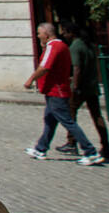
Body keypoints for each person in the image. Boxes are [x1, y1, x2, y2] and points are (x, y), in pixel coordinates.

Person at [24, 21, 104, 165]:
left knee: (68, 122)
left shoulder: (53, 46)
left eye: (39, 33)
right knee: (49, 120)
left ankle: (90, 151)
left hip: (56, 91)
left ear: (46, 34)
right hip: (54, 90)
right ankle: (40, 148)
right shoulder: (59, 45)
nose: (37, 36)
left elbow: (44, 67)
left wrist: (30, 79)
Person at [56, 21, 109, 160]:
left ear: (71, 33)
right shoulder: (91, 45)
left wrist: (75, 86)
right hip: (92, 86)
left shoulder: (75, 47)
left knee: (70, 115)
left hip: (81, 87)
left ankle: (71, 143)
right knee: (97, 116)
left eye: (65, 32)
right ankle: (106, 146)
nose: (63, 34)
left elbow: (77, 68)